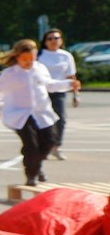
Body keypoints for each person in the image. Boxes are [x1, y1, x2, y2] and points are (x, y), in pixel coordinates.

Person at [0, 38, 60, 186]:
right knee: (31, 145)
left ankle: (37, 165)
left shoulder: (40, 69)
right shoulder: (10, 73)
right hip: (19, 114)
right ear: (17, 57)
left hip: (41, 112)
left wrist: (69, 84)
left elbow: (51, 85)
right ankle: (31, 175)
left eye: (32, 58)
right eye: (24, 59)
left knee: (50, 141)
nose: (28, 62)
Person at [38, 28, 79, 157]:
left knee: (60, 119)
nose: (53, 41)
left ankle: (56, 146)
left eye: (56, 38)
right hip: (41, 91)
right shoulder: (40, 55)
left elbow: (71, 77)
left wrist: (76, 95)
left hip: (60, 91)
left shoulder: (66, 56)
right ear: (45, 41)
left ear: (61, 40)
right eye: (50, 38)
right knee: (42, 119)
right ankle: (42, 146)